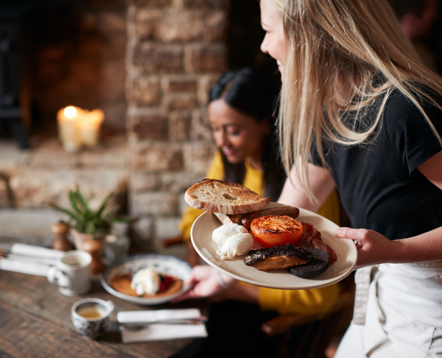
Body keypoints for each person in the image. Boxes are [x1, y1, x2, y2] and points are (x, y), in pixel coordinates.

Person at [177, 0, 442, 357]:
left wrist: (395, 250)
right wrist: (222, 273)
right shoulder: (332, 109)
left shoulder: (409, 109)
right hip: (383, 287)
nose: (264, 46)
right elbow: (287, 212)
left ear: (311, 34)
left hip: (431, 302)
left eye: (269, 30)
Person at [172, 67, 342, 358]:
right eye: (215, 128)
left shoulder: (302, 184)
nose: (221, 141)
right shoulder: (228, 165)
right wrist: (200, 264)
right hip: (222, 294)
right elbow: (194, 220)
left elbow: (315, 294)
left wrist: (227, 286)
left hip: (273, 316)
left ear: (265, 122)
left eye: (233, 130)